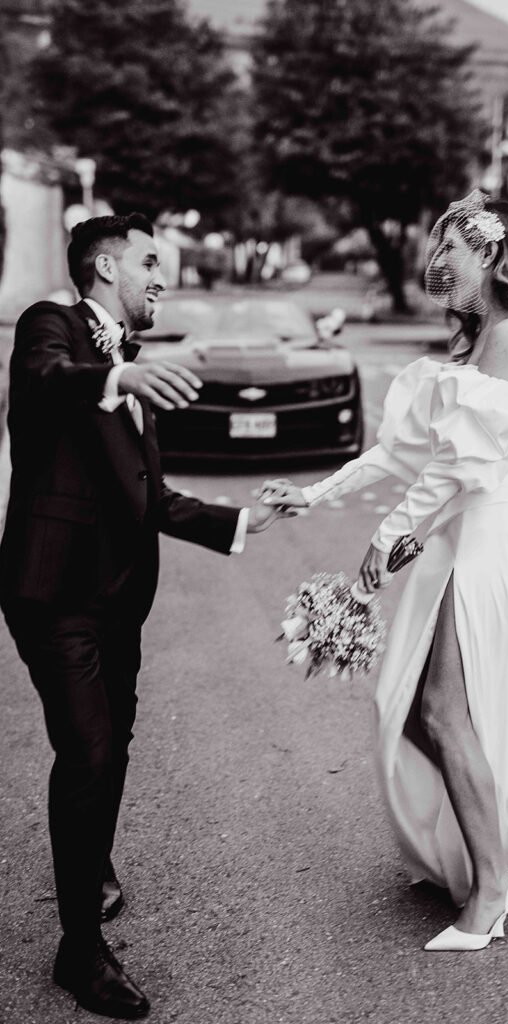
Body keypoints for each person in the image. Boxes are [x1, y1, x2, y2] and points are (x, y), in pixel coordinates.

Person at [261, 190, 508, 951]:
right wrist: (315, 493)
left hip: (491, 533)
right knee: (410, 707)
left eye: (452, 249)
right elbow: (403, 451)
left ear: (492, 252)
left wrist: (387, 539)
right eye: (437, 248)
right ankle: (476, 851)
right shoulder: (478, 341)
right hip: (457, 531)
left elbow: (453, 470)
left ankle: (492, 887)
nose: (438, 262)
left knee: (440, 709)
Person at [0, 214, 290, 1018]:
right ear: (105, 267)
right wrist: (118, 380)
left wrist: (244, 521)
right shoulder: (52, 328)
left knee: (113, 743)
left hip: (117, 596)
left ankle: (88, 856)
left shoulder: (129, 366)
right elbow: (46, 377)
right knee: (89, 752)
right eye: (151, 261)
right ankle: (79, 952)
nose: (165, 277)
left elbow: (149, 497)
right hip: (52, 591)